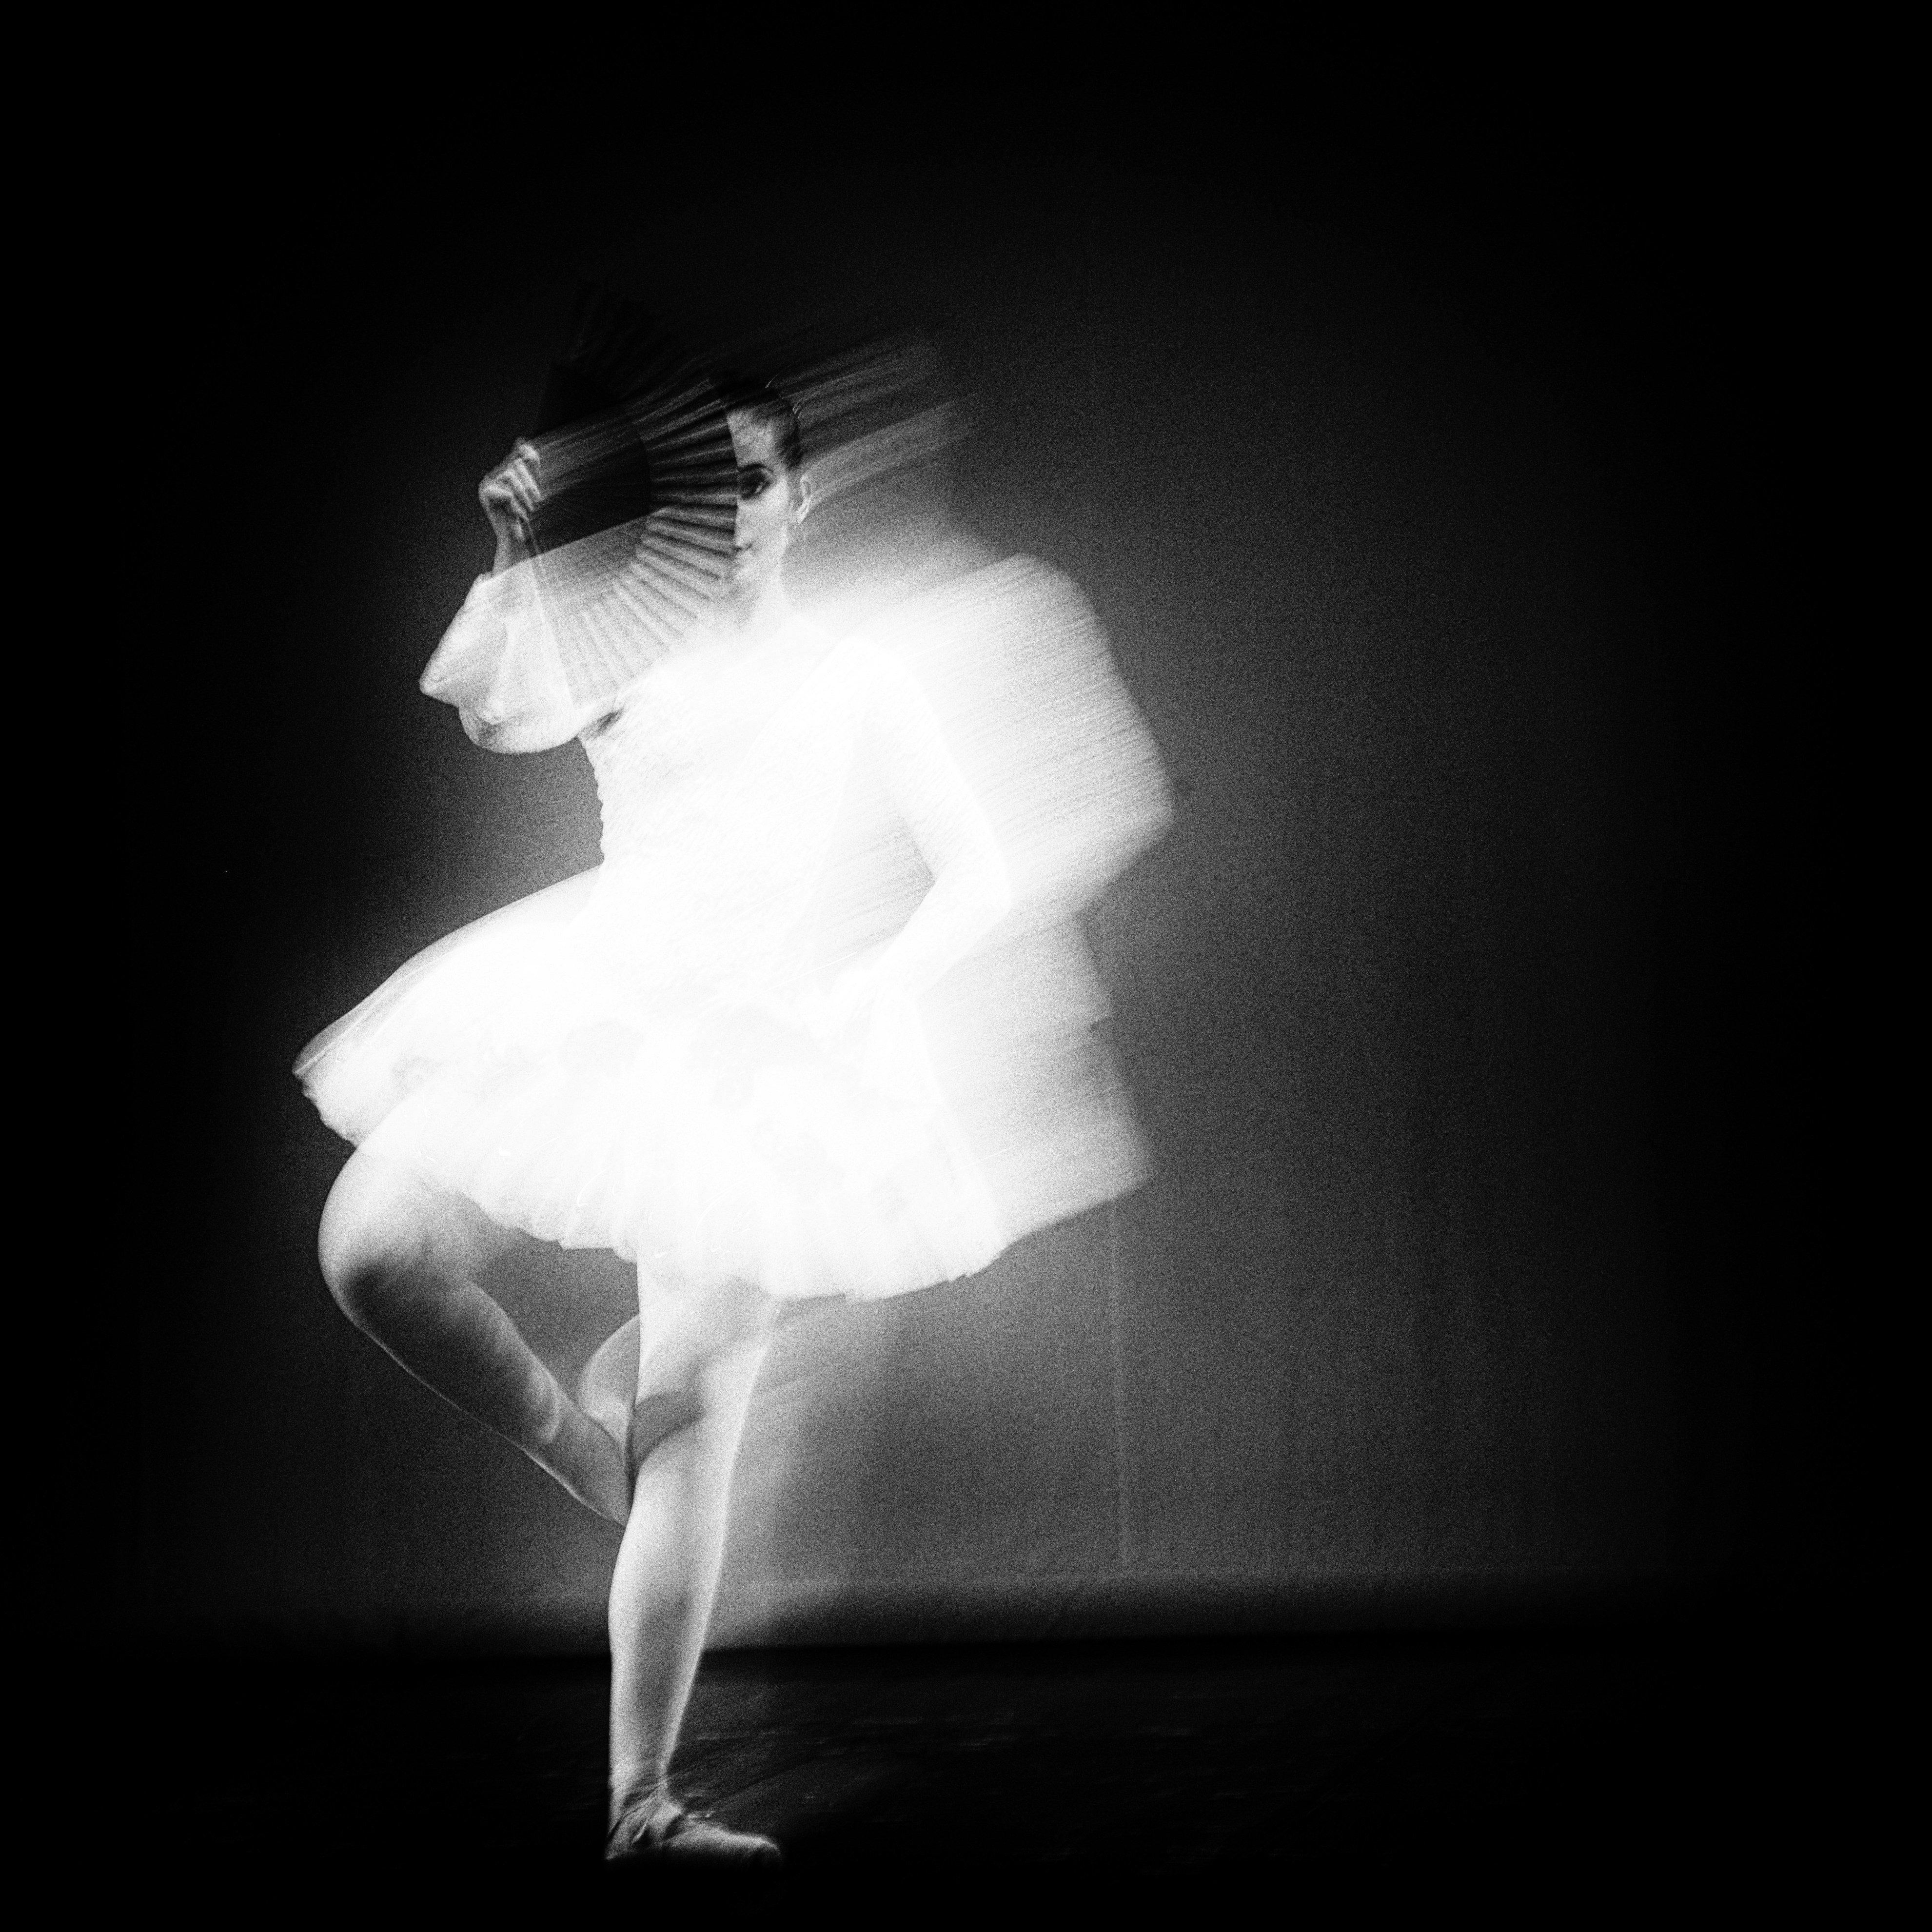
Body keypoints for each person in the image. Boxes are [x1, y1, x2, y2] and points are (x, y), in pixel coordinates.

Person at [298, 377, 1015, 1865]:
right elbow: (488, 699)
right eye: (716, 488)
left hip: (752, 1048)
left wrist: (879, 991)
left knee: (695, 1416)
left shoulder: (855, 672)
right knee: (372, 1242)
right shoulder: (638, 650)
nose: (738, 510)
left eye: (760, 482)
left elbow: (977, 871)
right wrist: (510, 548)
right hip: (604, 995)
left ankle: (641, 1805)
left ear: (799, 502)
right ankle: (574, 1444)